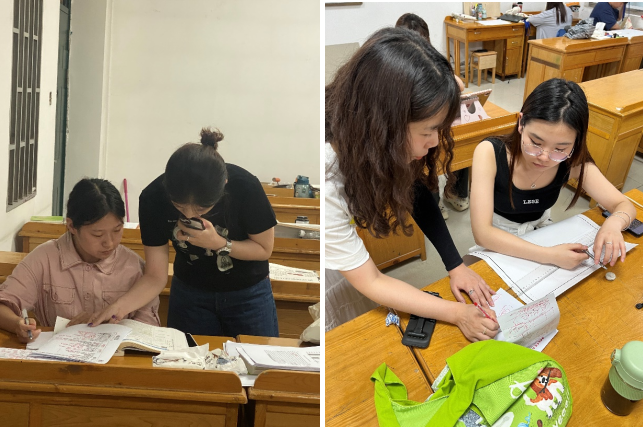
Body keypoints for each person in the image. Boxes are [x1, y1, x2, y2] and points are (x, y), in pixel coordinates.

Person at [325, 27, 499, 342]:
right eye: (427, 132)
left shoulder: (365, 135)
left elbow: (415, 189)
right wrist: (457, 313)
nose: (434, 143)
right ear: (383, 124)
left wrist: (455, 264)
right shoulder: (326, 183)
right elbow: (372, 281)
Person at [88, 128, 279, 338]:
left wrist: (218, 243)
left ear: (224, 186)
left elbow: (264, 249)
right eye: (179, 206)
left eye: (201, 209)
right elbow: (155, 275)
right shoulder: (153, 198)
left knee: (253, 358)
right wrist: (119, 307)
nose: (189, 214)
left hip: (248, 293)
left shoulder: (245, 187)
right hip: (190, 294)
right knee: (187, 356)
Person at [470, 78, 636, 269]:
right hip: (499, 239)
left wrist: (613, 224)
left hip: (543, 233)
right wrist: (548, 255)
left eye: (560, 149)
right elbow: (483, 233)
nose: (544, 157)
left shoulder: (572, 162)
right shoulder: (490, 152)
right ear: (521, 123)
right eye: (535, 143)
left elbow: (624, 205)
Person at [0, 179, 160, 343]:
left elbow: (148, 330)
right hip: (55, 355)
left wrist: (103, 326)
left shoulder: (134, 267)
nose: (110, 243)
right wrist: (17, 324)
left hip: (117, 356)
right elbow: (4, 304)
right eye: (97, 234)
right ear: (71, 226)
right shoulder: (44, 259)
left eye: (117, 230)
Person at [394, 12, 469, 220]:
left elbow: (459, 84)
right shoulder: (396, 69)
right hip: (413, 131)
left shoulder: (432, 61)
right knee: (423, 160)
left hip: (432, 124)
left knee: (459, 146)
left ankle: (455, 193)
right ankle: (434, 201)